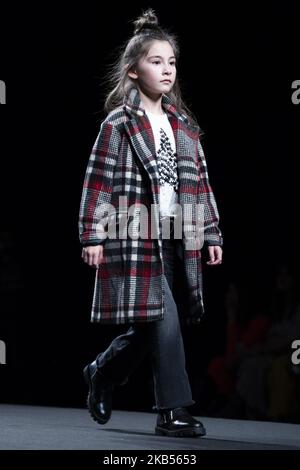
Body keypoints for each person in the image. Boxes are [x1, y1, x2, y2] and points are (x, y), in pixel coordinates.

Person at [78, 9, 223, 438]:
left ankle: (101, 371)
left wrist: (210, 231)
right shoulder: (118, 124)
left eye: (172, 62)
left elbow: (201, 184)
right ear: (133, 70)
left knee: (149, 322)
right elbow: (98, 180)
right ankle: (173, 411)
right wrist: (92, 234)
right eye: (156, 61)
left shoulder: (184, 126)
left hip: (177, 235)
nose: (166, 69)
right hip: (133, 234)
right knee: (165, 319)